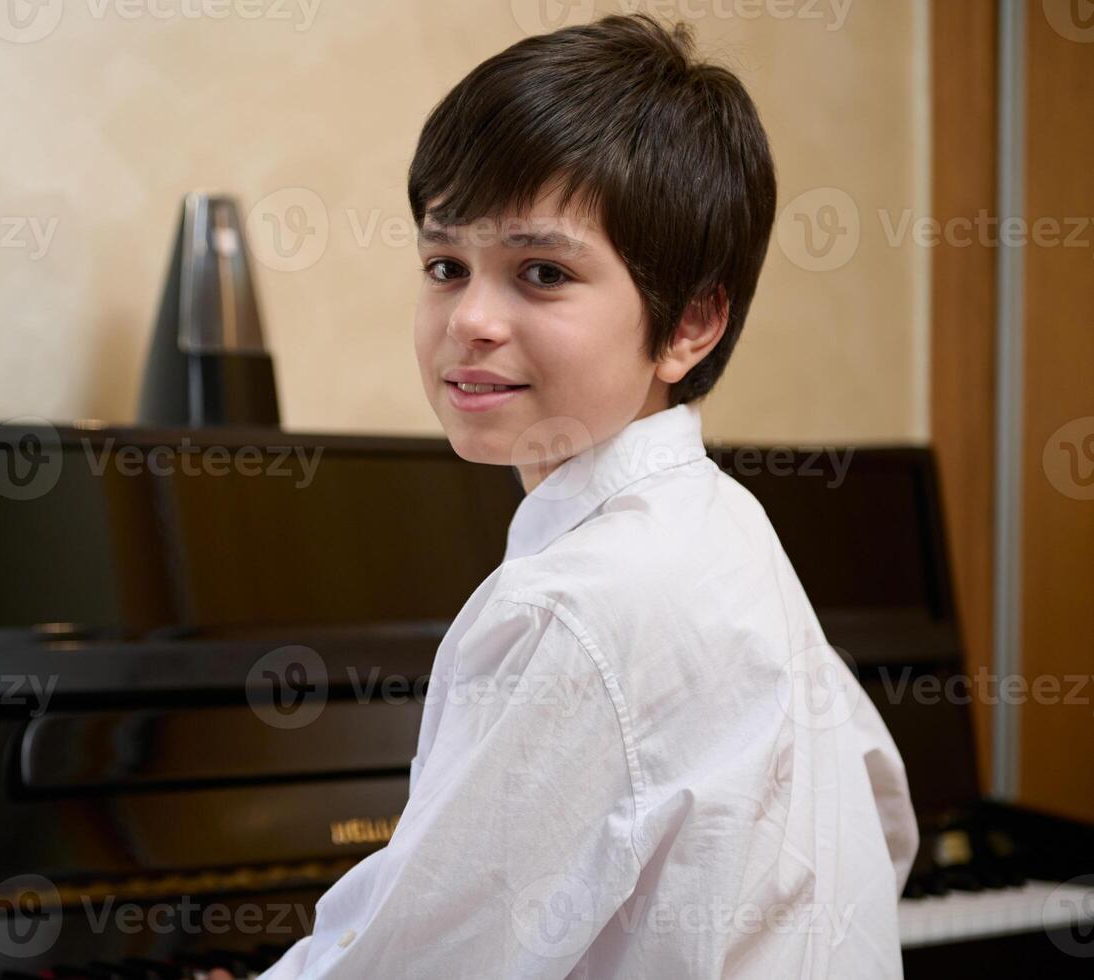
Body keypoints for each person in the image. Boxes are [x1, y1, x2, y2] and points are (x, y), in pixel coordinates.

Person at [234, 13, 917, 978]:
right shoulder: (727, 524)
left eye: (541, 273)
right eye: (445, 266)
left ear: (690, 322)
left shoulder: (576, 603)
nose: (469, 318)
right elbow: (882, 826)